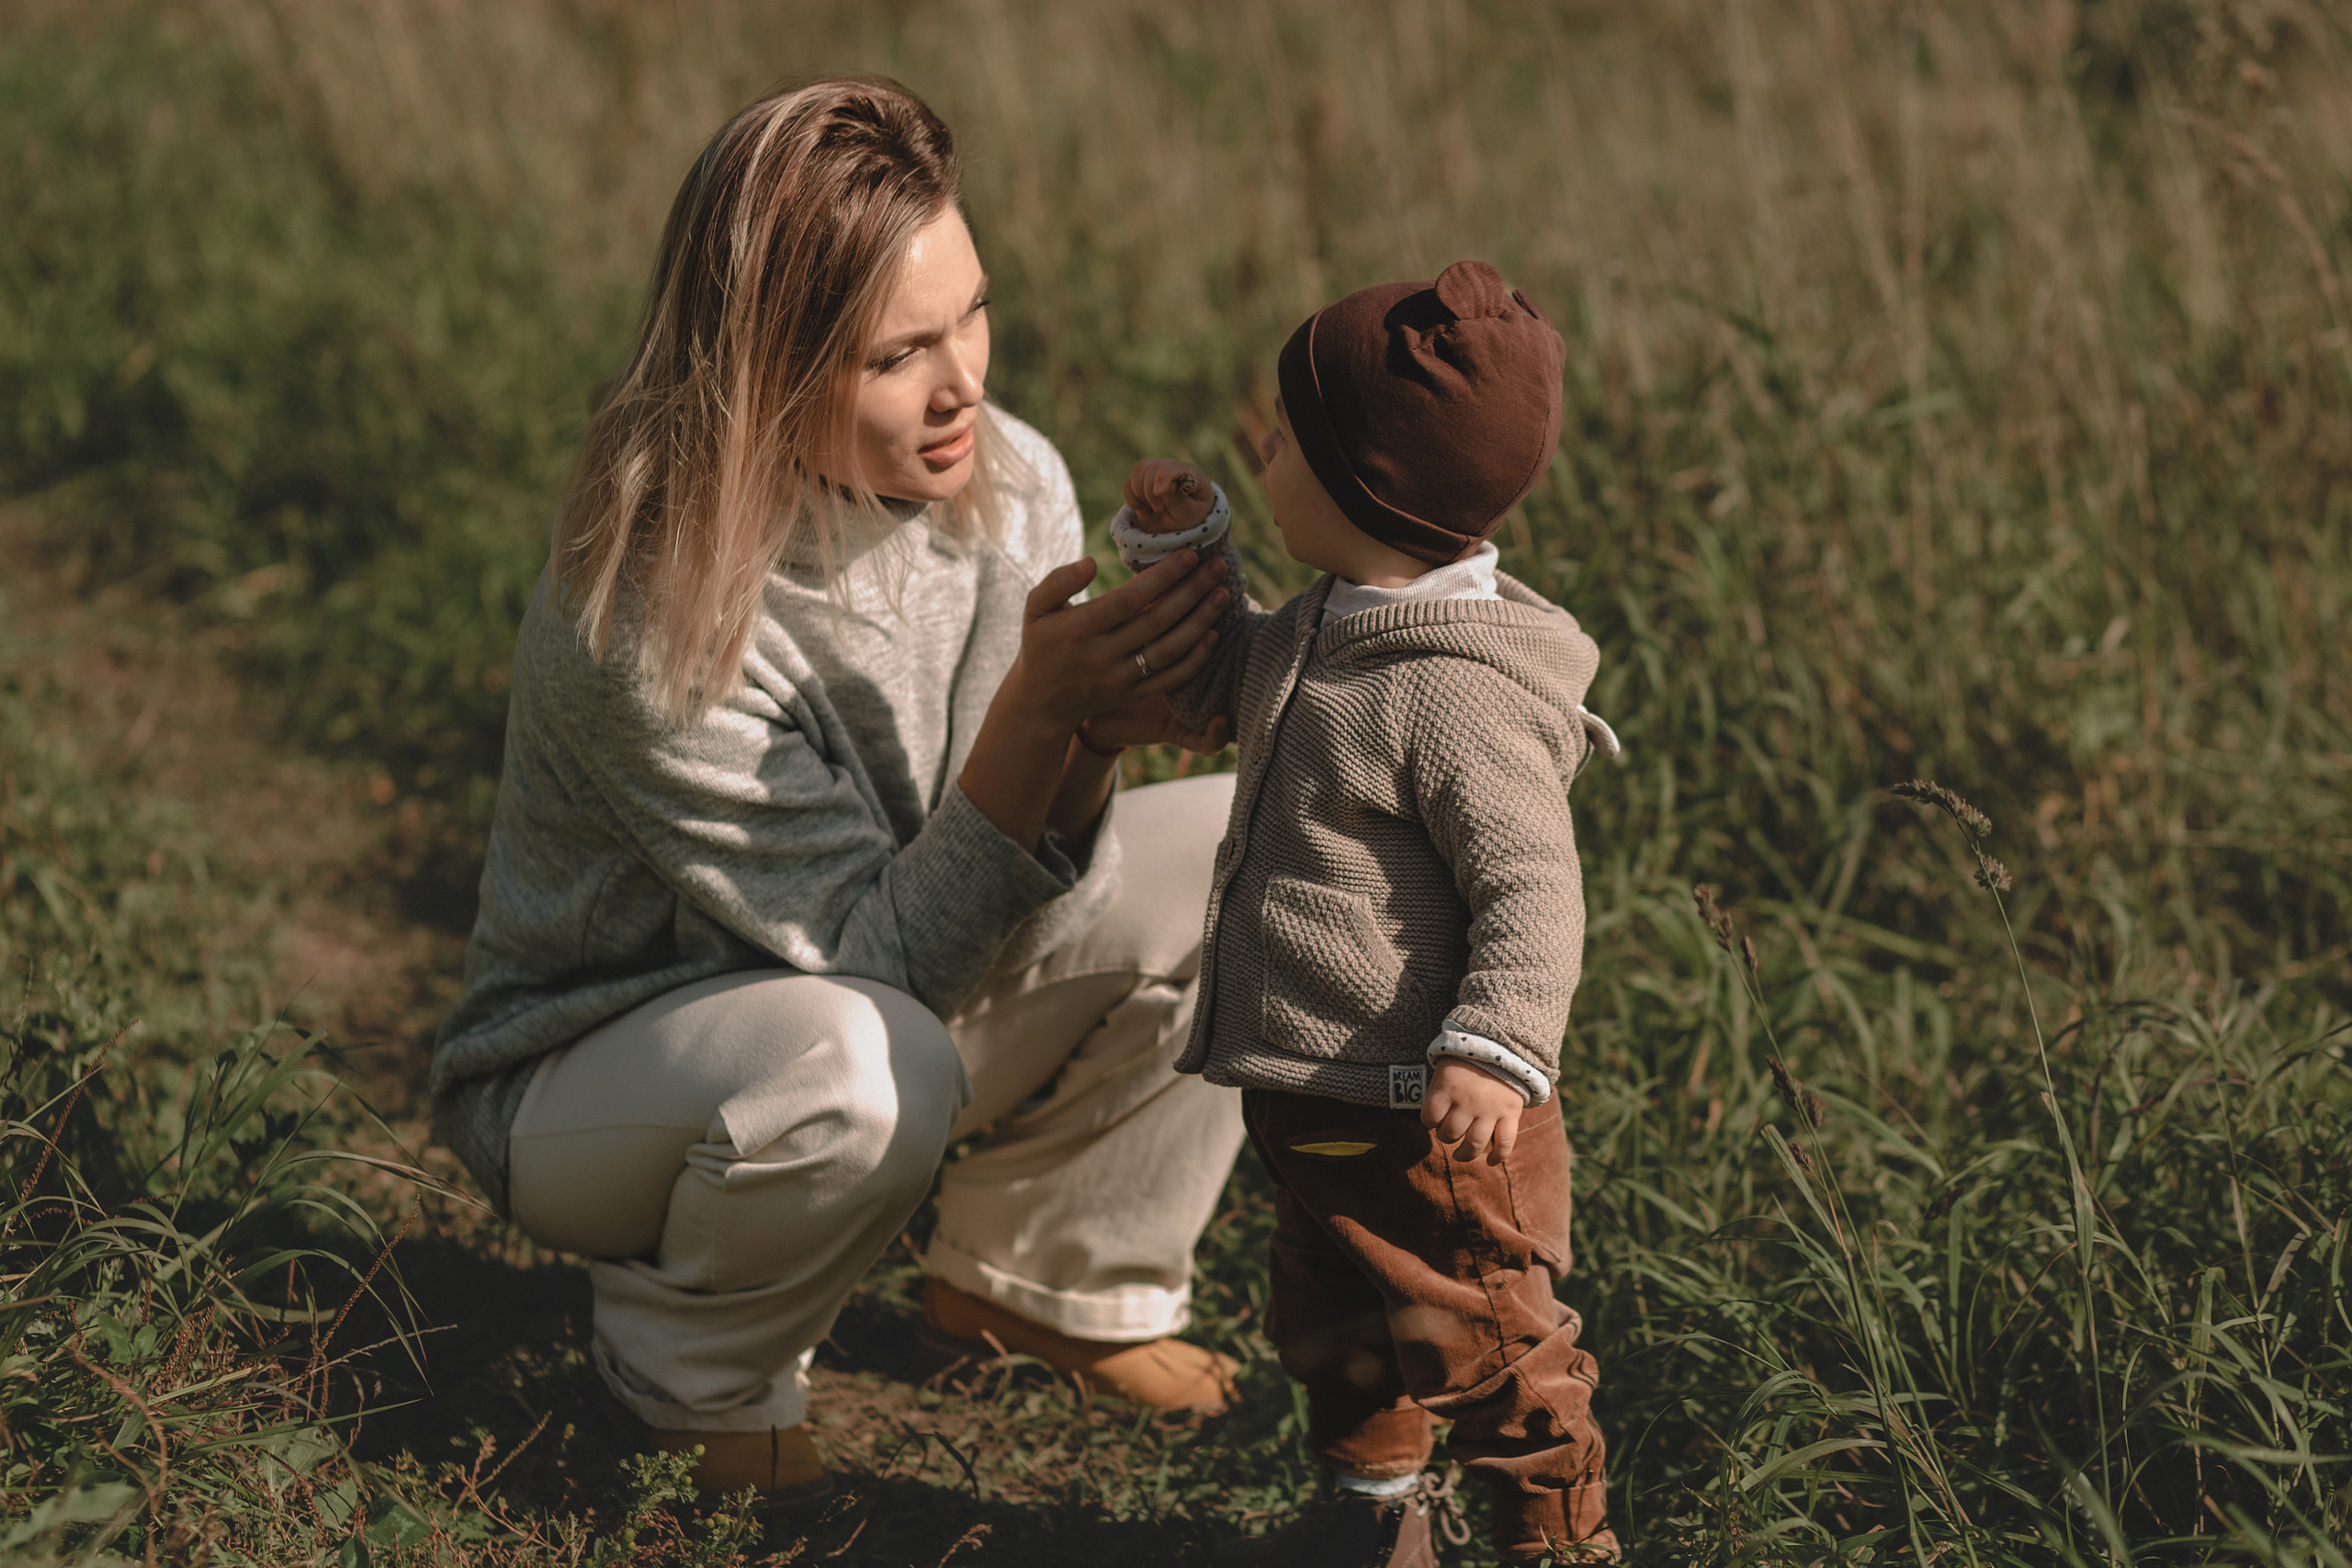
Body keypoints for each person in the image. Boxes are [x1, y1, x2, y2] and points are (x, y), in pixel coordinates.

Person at [428, 77, 1249, 1505]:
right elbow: (883, 974)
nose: (963, 386)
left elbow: (1006, 923)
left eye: (971, 316)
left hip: (876, 1015)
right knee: (873, 1066)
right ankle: (688, 1362)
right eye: (895, 357)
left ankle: (1047, 1275)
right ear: (763, 367)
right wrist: (1038, 719)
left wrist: (1092, 749)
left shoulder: (1014, 486)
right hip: (605, 1077)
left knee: (1261, 843)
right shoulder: (653, 612)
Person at [1116, 260, 1621, 1566]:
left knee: (1491, 1348)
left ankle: (1556, 1547)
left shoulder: (1455, 695)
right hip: (1323, 1099)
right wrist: (1185, 554)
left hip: (1435, 1118)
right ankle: (1371, 1530)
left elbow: (1532, 888)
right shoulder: (1322, 625)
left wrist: (1496, 1045)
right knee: (1340, 1330)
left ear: (1364, 487)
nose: (1262, 450)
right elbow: (1228, 683)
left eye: (1284, 438)